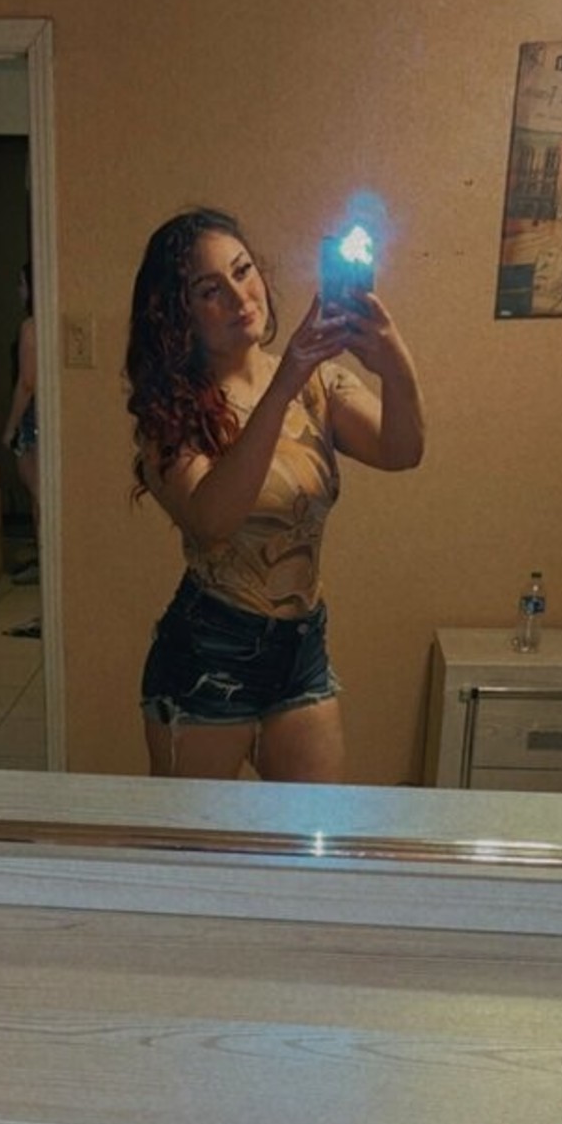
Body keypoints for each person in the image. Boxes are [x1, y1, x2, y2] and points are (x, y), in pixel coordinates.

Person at [125, 207, 425, 781]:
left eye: (243, 271)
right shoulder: (170, 413)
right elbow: (212, 520)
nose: (240, 297)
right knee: (196, 836)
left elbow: (402, 450)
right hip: (209, 655)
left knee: (315, 831)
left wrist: (395, 363)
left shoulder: (319, 383)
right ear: (179, 314)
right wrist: (285, 378)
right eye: (210, 290)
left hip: (301, 650)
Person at [1, 260, 39, 581]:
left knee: (38, 493)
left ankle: (45, 562)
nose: (18, 290)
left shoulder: (31, 326)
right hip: (45, 415)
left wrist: (11, 427)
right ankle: (42, 556)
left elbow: (27, 382)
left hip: (33, 418)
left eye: (22, 283)